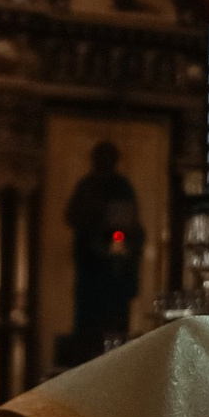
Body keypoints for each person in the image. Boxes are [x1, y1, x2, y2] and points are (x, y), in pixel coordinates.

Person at [61, 141, 144, 362]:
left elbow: (128, 225)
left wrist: (119, 244)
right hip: (90, 263)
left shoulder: (121, 186)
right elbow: (72, 215)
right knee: (89, 318)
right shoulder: (86, 186)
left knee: (115, 317)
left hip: (115, 267)